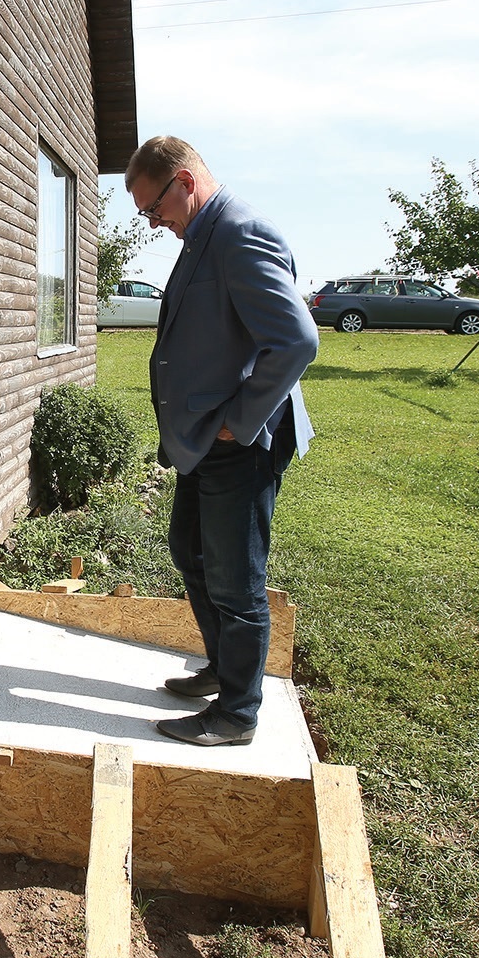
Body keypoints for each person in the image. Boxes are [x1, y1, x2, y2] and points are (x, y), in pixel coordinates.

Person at [124, 136, 318, 747]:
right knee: (192, 551)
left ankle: (237, 713)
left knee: (235, 579)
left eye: (153, 209)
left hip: (240, 441)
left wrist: (242, 416)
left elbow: (295, 340)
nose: (155, 223)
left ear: (184, 182)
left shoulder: (239, 232)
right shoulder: (203, 235)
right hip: (205, 439)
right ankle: (221, 667)